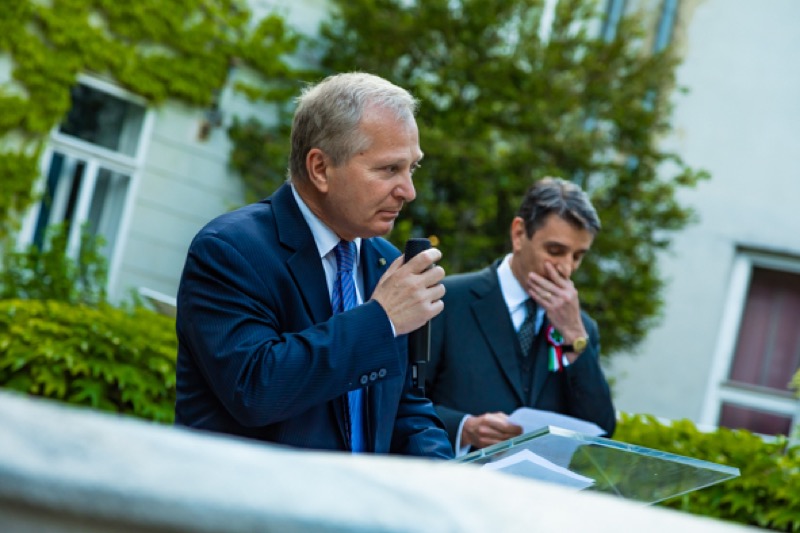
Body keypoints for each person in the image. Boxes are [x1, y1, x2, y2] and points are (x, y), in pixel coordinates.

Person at [174, 72, 453, 459]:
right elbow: (255, 389)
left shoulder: (387, 263)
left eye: (412, 169)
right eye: (389, 169)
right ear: (320, 168)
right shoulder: (229, 250)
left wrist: (445, 474)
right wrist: (381, 319)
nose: (408, 190)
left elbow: (404, 407)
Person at [425, 177, 616, 455]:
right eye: (555, 251)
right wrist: (464, 428)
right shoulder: (446, 299)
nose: (566, 268)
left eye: (577, 256)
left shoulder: (582, 329)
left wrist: (575, 338)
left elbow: (601, 430)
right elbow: (400, 404)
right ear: (518, 234)